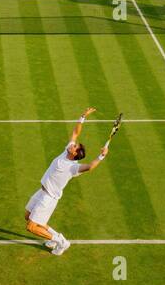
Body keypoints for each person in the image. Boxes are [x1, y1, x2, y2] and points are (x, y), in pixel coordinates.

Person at [24, 108, 111, 256]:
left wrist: (102, 156)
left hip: (48, 198)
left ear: (75, 154)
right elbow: (76, 133)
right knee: (28, 216)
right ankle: (57, 238)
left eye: (75, 147)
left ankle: (60, 241)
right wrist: (82, 117)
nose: (73, 144)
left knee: (31, 227)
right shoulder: (66, 152)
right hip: (42, 191)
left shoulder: (73, 168)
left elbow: (89, 167)